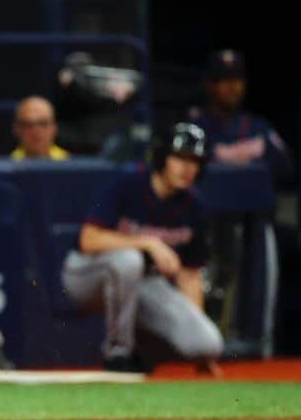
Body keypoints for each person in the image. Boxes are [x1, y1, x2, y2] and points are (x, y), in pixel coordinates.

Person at [62, 123, 224, 372]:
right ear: (161, 157)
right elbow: (88, 240)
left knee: (208, 343)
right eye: (179, 158)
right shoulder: (129, 181)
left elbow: (189, 275)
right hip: (86, 275)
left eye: (195, 161)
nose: (187, 167)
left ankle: (142, 354)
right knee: (128, 260)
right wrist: (148, 242)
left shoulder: (195, 205)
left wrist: (199, 345)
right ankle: (117, 354)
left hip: (142, 284)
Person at [187, 50, 293, 181]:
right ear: (210, 85)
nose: (233, 86)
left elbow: (287, 168)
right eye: (225, 79)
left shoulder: (259, 126)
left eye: (237, 79)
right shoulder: (195, 129)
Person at [11, 96, 69, 160]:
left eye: (43, 123)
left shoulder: (69, 164)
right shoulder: (8, 166)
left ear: (54, 128)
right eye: (29, 125)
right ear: (17, 129)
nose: (36, 130)